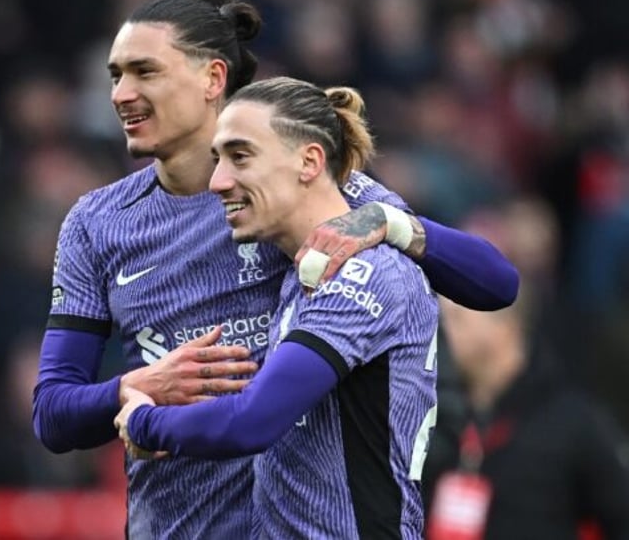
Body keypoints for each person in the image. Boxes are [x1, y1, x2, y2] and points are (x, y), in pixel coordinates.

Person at [33, 0, 517, 539]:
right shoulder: (96, 223)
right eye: (115, 75)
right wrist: (135, 389)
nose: (121, 94)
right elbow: (52, 412)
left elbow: (495, 281)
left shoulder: (296, 191)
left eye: (144, 72)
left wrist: (392, 221)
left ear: (212, 78)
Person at [114, 76, 438, 539]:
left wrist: (146, 421)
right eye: (217, 160)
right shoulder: (297, 271)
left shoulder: (365, 274)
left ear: (308, 162)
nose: (218, 182)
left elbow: (254, 420)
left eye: (240, 157)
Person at [423, 295, 629, 540]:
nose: (439, 332)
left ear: (505, 326)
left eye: (457, 318)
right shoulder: (436, 413)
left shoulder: (572, 423)